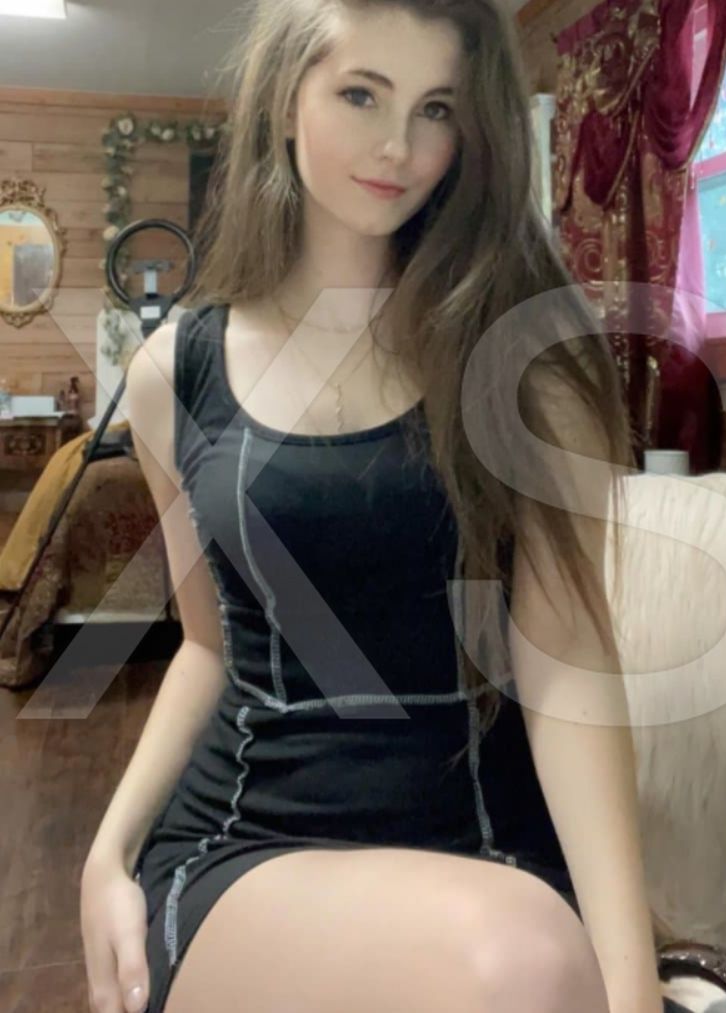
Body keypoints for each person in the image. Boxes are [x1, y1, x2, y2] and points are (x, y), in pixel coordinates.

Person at [80, 2, 668, 1012]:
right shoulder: (174, 375)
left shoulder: (528, 360)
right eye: (361, 94)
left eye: (435, 108)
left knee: (527, 958)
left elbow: (566, 662)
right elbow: (208, 646)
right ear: (284, 99)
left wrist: (633, 982)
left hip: (494, 855)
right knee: (522, 958)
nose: (399, 146)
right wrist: (109, 849)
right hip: (247, 848)